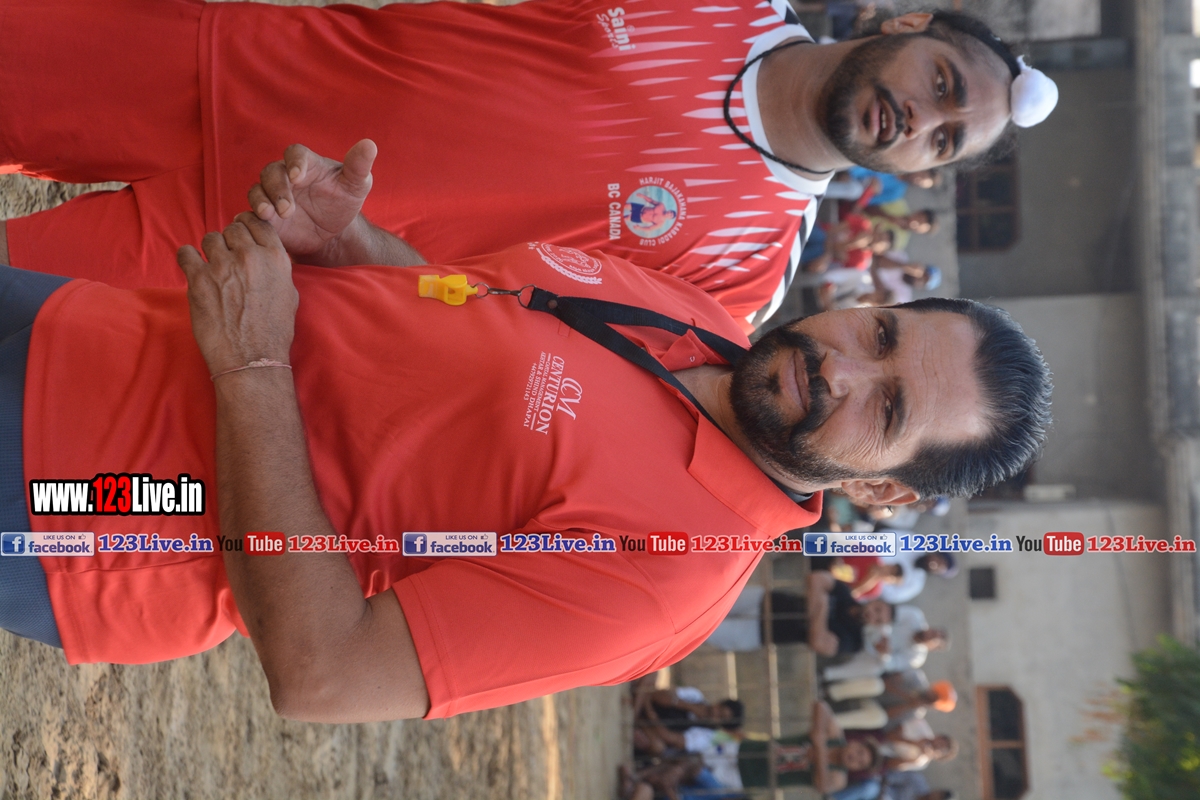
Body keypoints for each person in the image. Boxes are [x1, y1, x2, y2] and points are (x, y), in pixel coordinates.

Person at [2, 143, 1051, 722]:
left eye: (887, 407)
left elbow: (326, 671)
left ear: (885, 490)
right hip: (84, 323)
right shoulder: (706, 324)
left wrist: (253, 367)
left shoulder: (670, 579)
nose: (841, 367)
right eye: (879, 334)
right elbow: (477, 311)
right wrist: (351, 242)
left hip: (85, 508)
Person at [0, 0, 1057, 330]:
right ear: (905, 24)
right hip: (217, 66)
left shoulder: (742, 278)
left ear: (924, 172)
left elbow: (507, 333)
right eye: (940, 81)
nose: (921, 116)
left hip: (241, 256)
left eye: (945, 135)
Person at [878, 551, 958, 604]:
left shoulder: (916, 585)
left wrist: (882, 576)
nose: (934, 563)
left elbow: (889, 596)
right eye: (939, 559)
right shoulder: (912, 542)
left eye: (939, 566)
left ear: (937, 573)